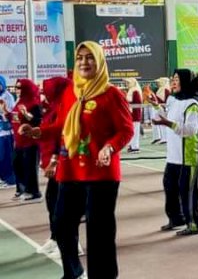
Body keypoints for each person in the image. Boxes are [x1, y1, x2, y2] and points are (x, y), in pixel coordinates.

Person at [19, 41, 134, 279]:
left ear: (100, 61)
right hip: (71, 170)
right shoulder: (72, 92)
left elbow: (126, 130)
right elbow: (61, 124)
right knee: (61, 225)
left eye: (89, 57)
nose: (84, 62)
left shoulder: (112, 94)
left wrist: (109, 148)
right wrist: (38, 131)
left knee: (99, 232)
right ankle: (74, 272)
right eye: (80, 57)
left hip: (101, 174)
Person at [152, 69, 198, 236]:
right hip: (174, 155)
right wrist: (156, 105)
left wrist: (168, 124)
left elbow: (190, 130)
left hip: (190, 154)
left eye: (176, 79)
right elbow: (167, 116)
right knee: (169, 185)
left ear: (185, 81)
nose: (173, 82)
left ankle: (194, 224)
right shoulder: (173, 100)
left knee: (187, 190)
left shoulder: (193, 104)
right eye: (172, 79)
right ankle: (176, 219)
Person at [36, 77, 82, 257]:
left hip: (64, 163)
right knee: (52, 201)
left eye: (45, 89)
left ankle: (72, 245)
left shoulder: (65, 106)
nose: (42, 92)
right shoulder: (54, 107)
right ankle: (55, 238)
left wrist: (54, 161)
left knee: (64, 207)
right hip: (54, 163)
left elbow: (61, 136)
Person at [11, 78, 42, 202]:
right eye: (16, 87)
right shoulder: (18, 102)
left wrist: (26, 114)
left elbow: (37, 121)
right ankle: (21, 189)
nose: (16, 90)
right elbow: (14, 119)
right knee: (17, 165)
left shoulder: (33, 103)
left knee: (30, 167)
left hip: (30, 141)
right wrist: (6, 112)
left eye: (19, 87)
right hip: (18, 141)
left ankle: (34, 192)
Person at [0, 75, 16, 189]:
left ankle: (10, 179)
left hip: (6, 132)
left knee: (7, 157)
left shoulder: (8, 96)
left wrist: (3, 113)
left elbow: (10, 112)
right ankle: (3, 178)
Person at [123, 78, 142, 153]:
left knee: (135, 131)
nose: (127, 84)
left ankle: (135, 147)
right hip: (131, 114)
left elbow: (136, 103)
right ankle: (132, 145)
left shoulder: (135, 91)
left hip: (135, 114)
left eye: (128, 83)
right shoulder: (131, 90)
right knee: (132, 131)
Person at [151, 77, 170, 145]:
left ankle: (165, 138)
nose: (158, 83)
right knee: (160, 122)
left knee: (163, 123)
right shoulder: (160, 89)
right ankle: (162, 137)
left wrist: (165, 107)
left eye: (159, 82)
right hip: (158, 107)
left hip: (163, 108)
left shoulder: (166, 89)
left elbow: (166, 100)